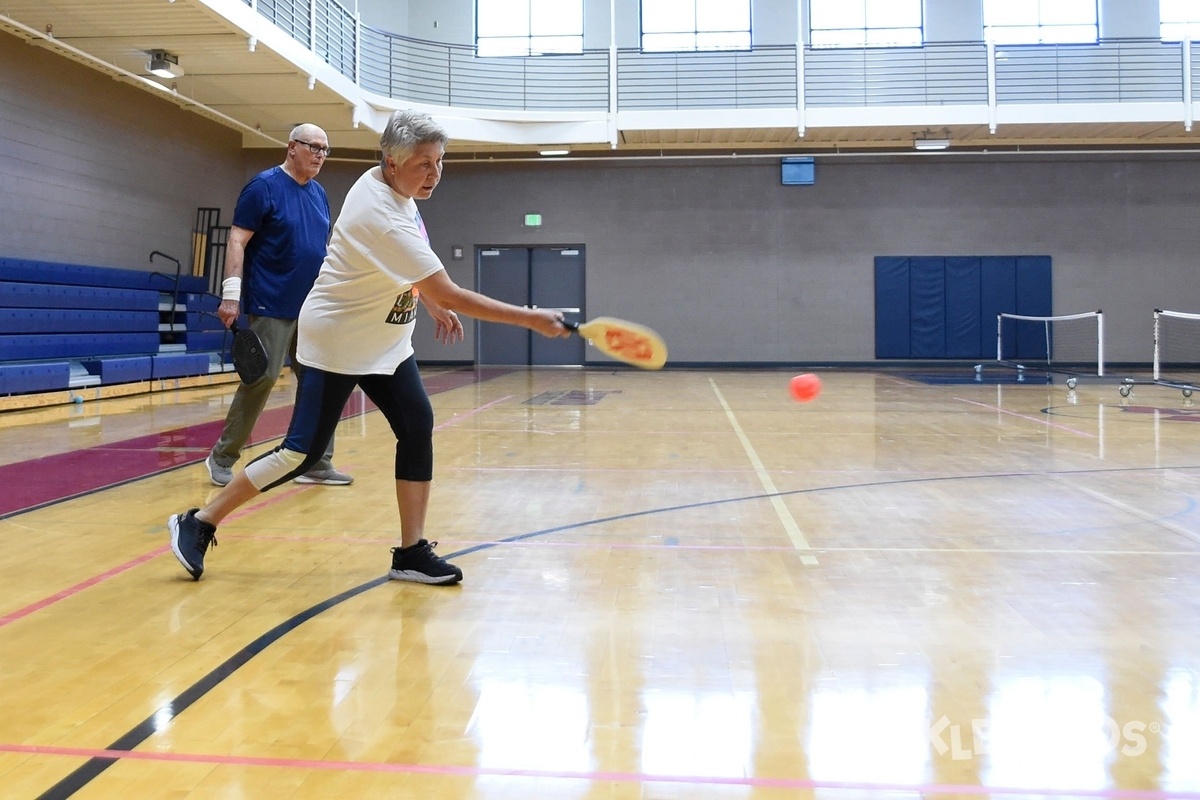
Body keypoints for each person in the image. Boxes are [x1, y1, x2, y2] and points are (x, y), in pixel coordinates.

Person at [168, 109, 570, 585]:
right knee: (300, 453)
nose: (435, 175)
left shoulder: (391, 185)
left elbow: (415, 278)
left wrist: (429, 300)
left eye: (440, 162)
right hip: (337, 342)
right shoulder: (381, 216)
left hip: (385, 342)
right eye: (424, 164)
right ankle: (199, 521)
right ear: (392, 162)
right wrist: (531, 318)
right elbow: (451, 291)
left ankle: (411, 552)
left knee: (417, 425)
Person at [205, 122, 353, 488]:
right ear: (292, 147)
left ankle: (317, 461)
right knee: (264, 377)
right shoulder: (263, 187)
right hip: (272, 302)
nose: (320, 155)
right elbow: (237, 240)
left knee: (320, 380)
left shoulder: (318, 194)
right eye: (313, 147)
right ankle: (222, 456)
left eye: (325, 149)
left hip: (313, 307)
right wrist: (231, 294)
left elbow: (321, 251)